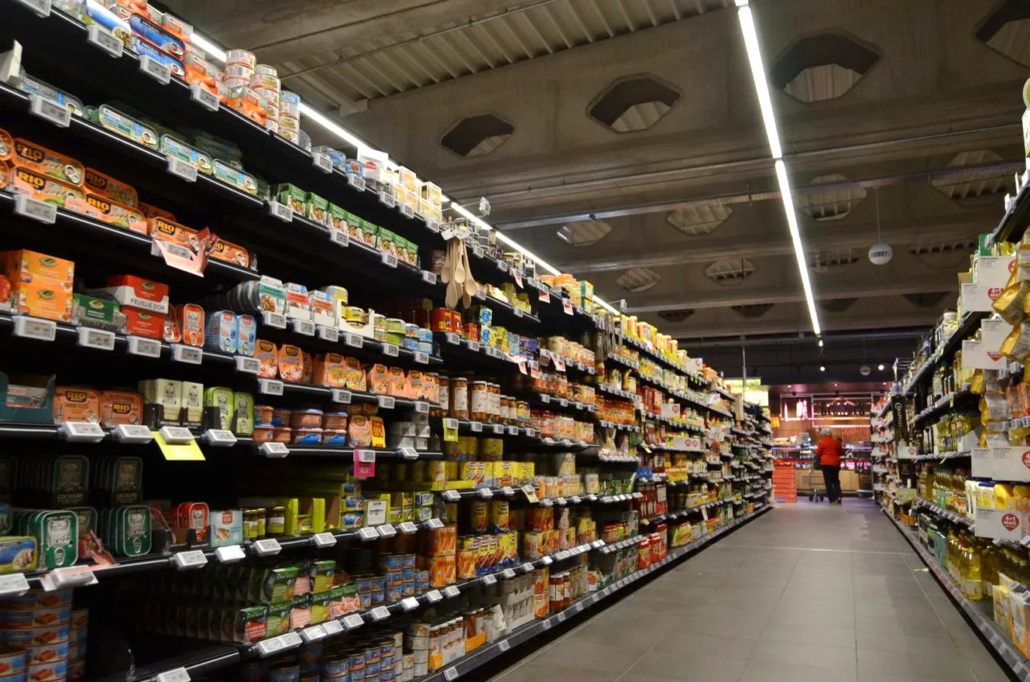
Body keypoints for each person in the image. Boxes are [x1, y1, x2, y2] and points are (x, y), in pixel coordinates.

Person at [816, 428, 843, 504]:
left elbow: (818, 453)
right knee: (836, 480)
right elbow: (841, 452)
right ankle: (839, 496)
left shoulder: (821, 442)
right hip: (835, 463)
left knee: (828, 481)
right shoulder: (836, 442)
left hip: (826, 463)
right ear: (830, 433)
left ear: (823, 434)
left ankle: (832, 498)